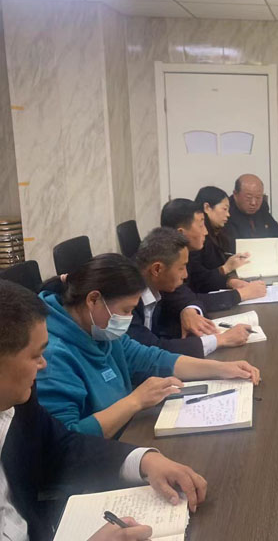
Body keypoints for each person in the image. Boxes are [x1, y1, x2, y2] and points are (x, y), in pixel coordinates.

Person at [0, 280, 207, 541]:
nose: (43, 365)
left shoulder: (18, 401)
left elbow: (62, 447)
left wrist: (144, 461)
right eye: (34, 356)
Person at [36, 254, 261, 438]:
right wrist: (135, 401)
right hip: (96, 461)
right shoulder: (51, 356)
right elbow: (66, 440)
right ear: (93, 300)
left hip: (128, 433)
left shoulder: (98, 329)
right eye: (125, 310)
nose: (127, 319)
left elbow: (152, 359)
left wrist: (221, 369)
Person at [129, 228, 251, 358]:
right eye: (181, 268)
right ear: (157, 269)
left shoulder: (156, 279)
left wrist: (189, 310)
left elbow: (186, 295)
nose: (185, 275)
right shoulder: (126, 298)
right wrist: (220, 340)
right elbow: (152, 350)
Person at [161, 198, 267, 313]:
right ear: (181, 233)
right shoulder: (167, 262)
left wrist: (229, 282)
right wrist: (243, 294)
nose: (206, 232)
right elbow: (187, 300)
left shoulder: (188, 252)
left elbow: (200, 279)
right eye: (201, 225)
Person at [224, 174, 278, 259]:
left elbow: (276, 229)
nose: (253, 203)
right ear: (235, 194)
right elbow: (234, 247)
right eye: (248, 197)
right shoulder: (226, 212)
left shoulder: (262, 207)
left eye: (258, 197)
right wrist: (273, 250)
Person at [194, 186, 252, 289]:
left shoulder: (221, 232)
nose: (228, 214)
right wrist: (226, 268)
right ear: (207, 208)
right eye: (224, 209)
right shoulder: (196, 237)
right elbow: (197, 279)